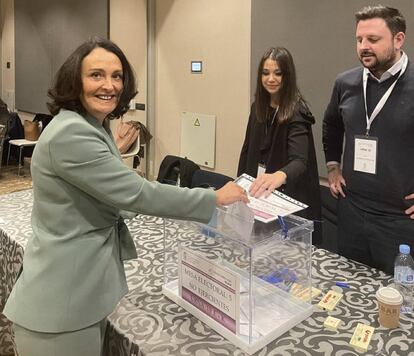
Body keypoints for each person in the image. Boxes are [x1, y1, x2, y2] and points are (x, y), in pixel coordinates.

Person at [3, 37, 248, 356]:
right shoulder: (73, 133)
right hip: (62, 306)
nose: (109, 85)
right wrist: (213, 198)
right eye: (96, 75)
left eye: (116, 76)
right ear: (74, 79)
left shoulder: (90, 125)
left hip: (77, 296)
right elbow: (137, 194)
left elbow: (107, 190)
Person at [323, 5, 414, 274]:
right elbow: (331, 125)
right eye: (359, 39)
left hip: (399, 218)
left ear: (399, 39)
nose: (363, 46)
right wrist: (332, 166)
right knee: (351, 286)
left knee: (398, 299)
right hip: (352, 208)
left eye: (373, 40)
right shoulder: (346, 82)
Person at [237, 46, 321, 244]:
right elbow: (247, 149)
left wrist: (278, 176)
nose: (270, 79)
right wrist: (239, 183)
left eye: (277, 73)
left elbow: (300, 161)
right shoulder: (258, 107)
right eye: (265, 73)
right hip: (258, 194)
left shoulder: (297, 111)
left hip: (284, 198)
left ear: (287, 76)